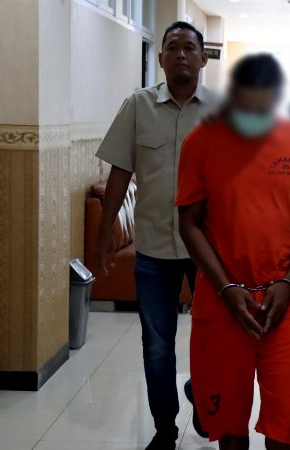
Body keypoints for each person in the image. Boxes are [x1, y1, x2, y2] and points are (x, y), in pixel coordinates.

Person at [176, 53, 290, 450]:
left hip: (282, 300)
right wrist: (226, 288)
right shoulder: (201, 142)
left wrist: (289, 281)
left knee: (286, 418)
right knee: (229, 423)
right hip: (222, 300)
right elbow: (189, 224)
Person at [94, 21, 219, 450]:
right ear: (161, 58)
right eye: (173, 47)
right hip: (152, 250)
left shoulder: (223, 111)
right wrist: (104, 234)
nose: (181, 54)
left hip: (208, 251)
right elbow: (119, 172)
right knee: (157, 346)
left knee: (213, 339)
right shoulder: (138, 105)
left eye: (190, 48)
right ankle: (164, 429)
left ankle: (203, 397)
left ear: (203, 59)